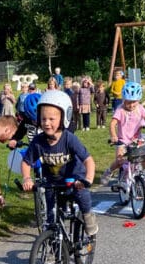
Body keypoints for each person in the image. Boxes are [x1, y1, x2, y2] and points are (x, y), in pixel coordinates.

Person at [21, 90, 97, 239]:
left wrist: (87, 179)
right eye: (43, 119)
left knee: (83, 197)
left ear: (64, 118)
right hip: (53, 182)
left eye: (51, 119)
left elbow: (88, 160)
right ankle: (54, 246)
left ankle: (88, 218)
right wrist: (27, 178)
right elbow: (26, 162)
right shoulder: (38, 141)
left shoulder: (69, 139)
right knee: (52, 216)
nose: (47, 123)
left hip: (74, 179)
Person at [101, 81, 145, 185]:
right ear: (123, 100)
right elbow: (113, 124)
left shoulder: (140, 108)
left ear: (138, 100)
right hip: (122, 140)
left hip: (136, 140)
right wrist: (114, 135)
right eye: (128, 102)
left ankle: (138, 173)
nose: (131, 105)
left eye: (134, 102)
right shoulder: (120, 109)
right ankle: (109, 171)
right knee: (120, 160)